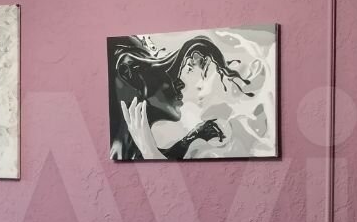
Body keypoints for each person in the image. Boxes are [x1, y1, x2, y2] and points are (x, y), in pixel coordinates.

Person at [108, 35, 253, 160]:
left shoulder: (128, 149)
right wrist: (149, 150)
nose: (180, 84)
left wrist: (191, 138)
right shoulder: (124, 150)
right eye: (163, 70)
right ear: (127, 73)